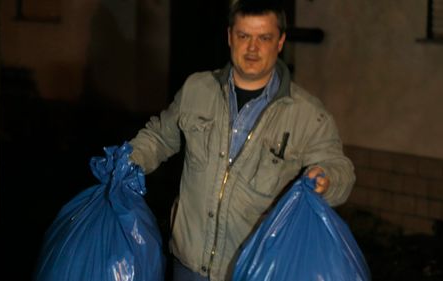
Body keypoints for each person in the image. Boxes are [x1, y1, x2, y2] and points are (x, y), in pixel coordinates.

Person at [129, 0, 355, 280]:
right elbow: (160, 137)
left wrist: (328, 178)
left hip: (257, 271)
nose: (252, 48)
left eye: (264, 38)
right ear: (229, 37)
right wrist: (129, 160)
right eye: (244, 36)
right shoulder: (196, 89)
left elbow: (339, 168)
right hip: (188, 266)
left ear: (281, 41)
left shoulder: (308, 115)